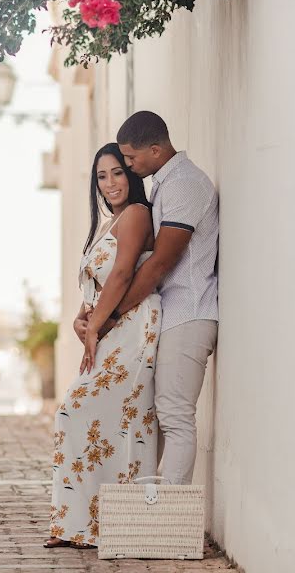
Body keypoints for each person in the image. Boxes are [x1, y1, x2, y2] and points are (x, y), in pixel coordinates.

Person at [81, 111, 219, 487]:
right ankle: (149, 517)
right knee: (156, 416)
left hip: (188, 313)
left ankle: (167, 520)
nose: (126, 165)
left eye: (130, 158)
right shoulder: (165, 184)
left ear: (155, 150)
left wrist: (113, 318)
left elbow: (160, 264)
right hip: (169, 316)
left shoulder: (184, 184)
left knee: (175, 416)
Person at [45, 143, 162, 549]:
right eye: (101, 176)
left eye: (116, 172)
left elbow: (123, 274)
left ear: (131, 173)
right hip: (110, 325)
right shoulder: (108, 223)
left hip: (130, 326)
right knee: (96, 421)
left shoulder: (136, 215)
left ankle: (109, 524)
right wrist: (83, 317)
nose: (110, 183)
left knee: (78, 410)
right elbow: (97, 281)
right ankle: (79, 525)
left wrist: (95, 327)